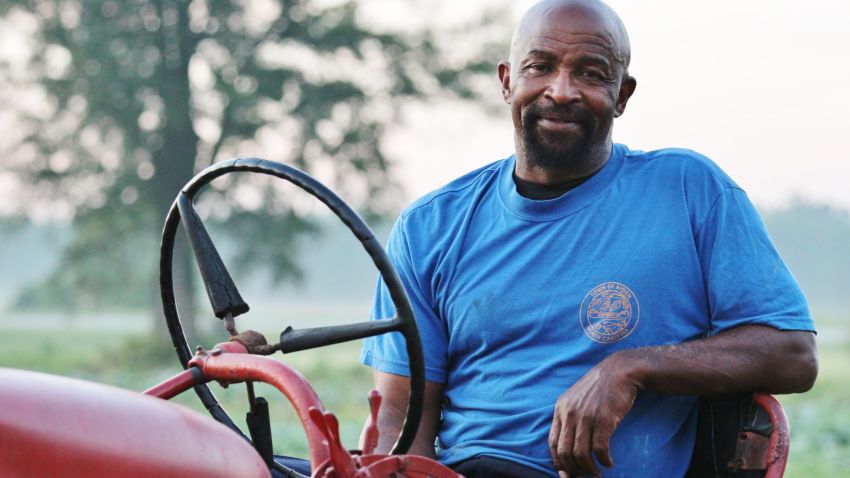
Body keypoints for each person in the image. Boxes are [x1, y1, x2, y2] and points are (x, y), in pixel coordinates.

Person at [359, 0, 818, 477]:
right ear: (506, 81)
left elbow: (793, 354)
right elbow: (402, 412)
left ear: (623, 94)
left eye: (591, 73)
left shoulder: (689, 191)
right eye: (539, 67)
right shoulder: (430, 226)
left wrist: (631, 368)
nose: (561, 91)